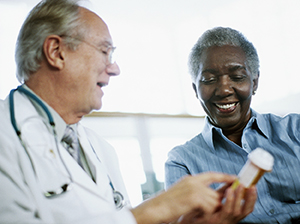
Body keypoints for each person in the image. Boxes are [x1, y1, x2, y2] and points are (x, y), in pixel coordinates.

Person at [0, 1, 257, 224]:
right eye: (105, 52)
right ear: (56, 52)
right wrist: (156, 208)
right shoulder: (6, 134)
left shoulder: (100, 149)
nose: (115, 69)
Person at [165, 26, 300, 223]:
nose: (224, 90)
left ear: (254, 82)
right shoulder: (182, 161)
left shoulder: (295, 130)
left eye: (237, 77)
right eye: (209, 79)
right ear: (196, 89)